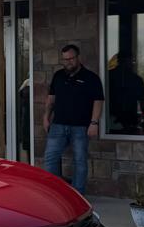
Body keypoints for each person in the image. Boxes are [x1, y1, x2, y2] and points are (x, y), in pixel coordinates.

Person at [42, 43, 104, 194]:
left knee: (80, 162)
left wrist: (94, 123)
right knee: (50, 159)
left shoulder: (91, 78)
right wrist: (46, 117)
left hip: (81, 127)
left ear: (78, 57)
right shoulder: (58, 76)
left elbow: (98, 101)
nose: (68, 62)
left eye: (71, 58)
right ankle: (55, 194)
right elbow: (51, 100)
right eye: (65, 59)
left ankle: (78, 197)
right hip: (58, 125)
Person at [107, 52, 144, 134]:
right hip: (117, 121)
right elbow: (143, 102)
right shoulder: (136, 79)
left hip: (116, 121)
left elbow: (143, 101)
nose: (132, 63)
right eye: (131, 61)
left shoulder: (108, 76)